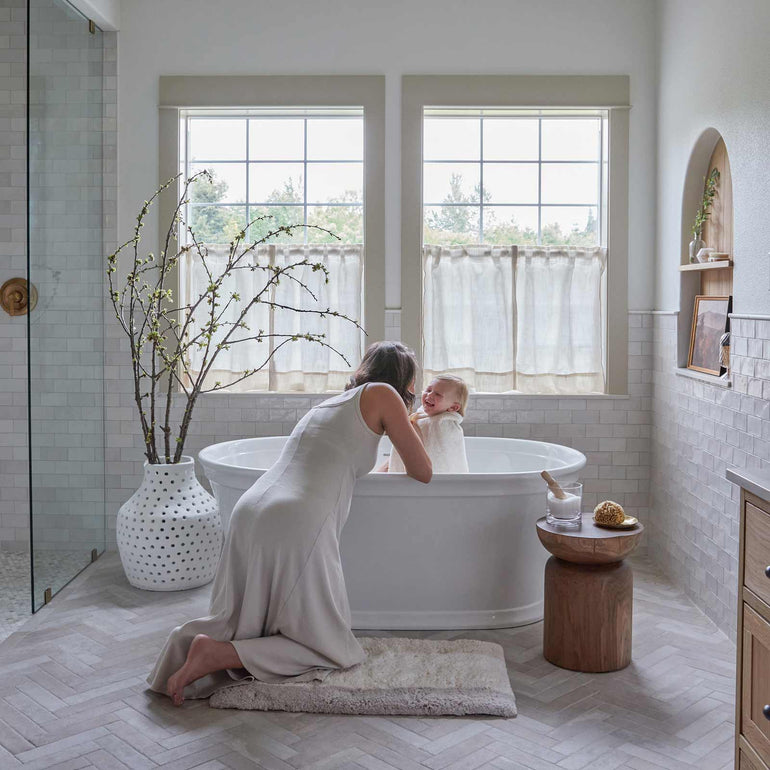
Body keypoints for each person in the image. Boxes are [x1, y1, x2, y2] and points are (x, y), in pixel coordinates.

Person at [146, 341, 431, 706]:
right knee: (333, 650)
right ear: (403, 379)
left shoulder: (331, 405)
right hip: (295, 520)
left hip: (252, 510)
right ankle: (219, 655)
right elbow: (423, 471)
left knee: (245, 617)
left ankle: (204, 647)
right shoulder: (385, 394)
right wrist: (415, 414)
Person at [385, 374, 470, 474]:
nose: (429, 395)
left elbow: (440, 457)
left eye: (438, 394)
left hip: (429, 479)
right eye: (429, 390)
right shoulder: (421, 415)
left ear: (453, 408)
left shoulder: (442, 425)